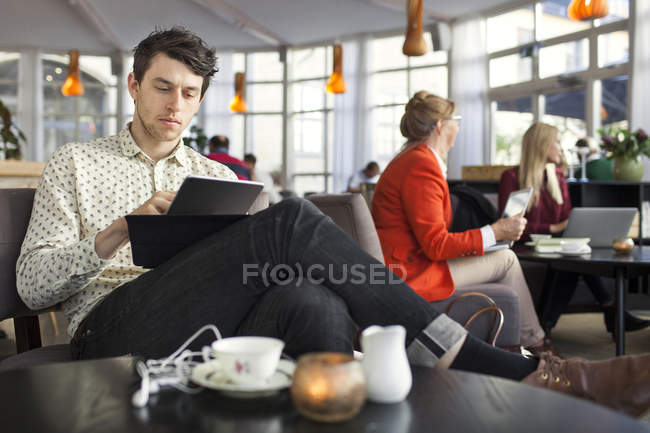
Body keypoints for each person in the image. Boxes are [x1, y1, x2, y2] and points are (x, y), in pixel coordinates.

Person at [14, 28, 650, 418]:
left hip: (214, 326)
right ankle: (481, 361)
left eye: (189, 92)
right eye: (162, 87)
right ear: (132, 85)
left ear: (202, 97)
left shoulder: (217, 175)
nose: (175, 104)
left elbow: (259, 270)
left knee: (306, 293)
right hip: (111, 329)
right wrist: (117, 231)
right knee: (292, 220)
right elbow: (33, 287)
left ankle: (351, 409)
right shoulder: (77, 163)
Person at [371, 91, 550, 354]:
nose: (458, 128)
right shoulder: (421, 165)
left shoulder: (409, 159)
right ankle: (534, 344)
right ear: (442, 126)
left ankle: (518, 345)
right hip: (413, 273)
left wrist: (491, 236)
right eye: (457, 121)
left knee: (502, 256)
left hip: (407, 264)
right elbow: (436, 245)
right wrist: (496, 231)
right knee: (507, 260)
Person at [498, 123, 649, 336]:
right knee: (571, 264)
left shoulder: (558, 176)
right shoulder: (512, 178)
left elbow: (566, 217)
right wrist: (552, 227)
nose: (561, 148)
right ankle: (612, 313)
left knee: (575, 259)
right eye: (557, 142)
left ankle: (546, 326)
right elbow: (507, 226)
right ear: (542, 145)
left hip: (556, 243)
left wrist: (568, 225)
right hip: (527, 246)